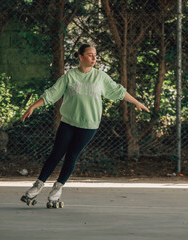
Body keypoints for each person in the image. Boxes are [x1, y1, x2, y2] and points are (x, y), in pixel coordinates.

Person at [20, 43, 149, 208]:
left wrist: (136, 102)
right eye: (90, 55)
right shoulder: (70, 76)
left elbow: (118, 91)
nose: (94, 58)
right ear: (80, 57)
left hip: (89, 125)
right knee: (56, 154)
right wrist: (33, 106)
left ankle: (56, 190)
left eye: (95, 55)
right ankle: (36, 187)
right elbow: (53, 93)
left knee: (72, 156)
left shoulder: (100, 77)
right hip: (68, 123)